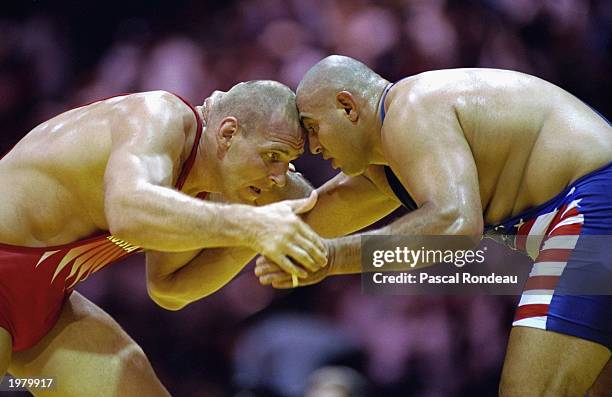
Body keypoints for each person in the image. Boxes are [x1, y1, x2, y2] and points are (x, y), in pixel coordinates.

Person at [255, 55, 612, 396]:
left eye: (314, 128)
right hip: (592, 208)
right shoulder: (389, 166)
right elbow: (308, 223)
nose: (314, 147)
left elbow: (457, 225)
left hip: (597, 203)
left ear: (347, 106)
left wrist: (332, 260)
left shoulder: (411, 108)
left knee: (531, 391)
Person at [0, 80, 327, 396]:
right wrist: (253, 224)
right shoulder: (158, 115)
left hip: (46, 304)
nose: (278, 176)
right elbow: (128, 212)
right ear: (227, 133)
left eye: (287, 163)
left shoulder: (200, 187)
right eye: (273, 156)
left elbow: (170, 287)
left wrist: (255, 239)